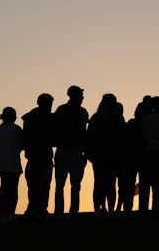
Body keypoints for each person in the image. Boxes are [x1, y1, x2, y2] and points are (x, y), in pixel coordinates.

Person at [86, 94, 126, 216]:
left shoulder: (95, 118)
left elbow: (89, 137)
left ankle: (98, 209)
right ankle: (110, 209)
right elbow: (122, 138)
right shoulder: (118, 119)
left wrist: (90, 154)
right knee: (110, 183)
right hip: (113, 156)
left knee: (98, 183)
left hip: (98, 156)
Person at [53, 85, 89, 214]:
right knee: (75, 185)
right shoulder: (82, 112)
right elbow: (85, 134)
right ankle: (73, 211)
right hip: (75, 152)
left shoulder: (60, 110)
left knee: (60, 185)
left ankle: (59, 211)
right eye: (80, 95)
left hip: (63, 151)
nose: (82, 98)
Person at [22, 93, 55, 217]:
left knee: (34, 185)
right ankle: (40, 208)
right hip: (42, 155)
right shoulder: (48, 118)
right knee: (43, 184)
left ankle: (34, 208)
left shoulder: (29, 117)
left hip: (33, 155)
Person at [0, 106, 24, 223]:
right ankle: (10, 212)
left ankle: (3, 212)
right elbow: (21, 144)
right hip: (12, 163)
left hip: (1, 163)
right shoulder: (16, 129)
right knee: (12, 189)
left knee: (4, 188)